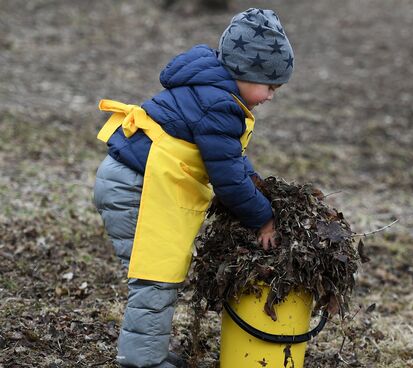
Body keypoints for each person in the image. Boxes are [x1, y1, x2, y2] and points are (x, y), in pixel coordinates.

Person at [92, 8, 293, 368]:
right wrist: (263, 218)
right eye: (270, 86)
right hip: (134, 190)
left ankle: (147, 353)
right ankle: (141, 362)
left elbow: (230, 159)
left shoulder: (210, 91)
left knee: (160, 277)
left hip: (131, 181)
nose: (271, 96)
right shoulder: (219, 105)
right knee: (156, 277)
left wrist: (257, 182)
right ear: (245, 72)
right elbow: (228, 181)